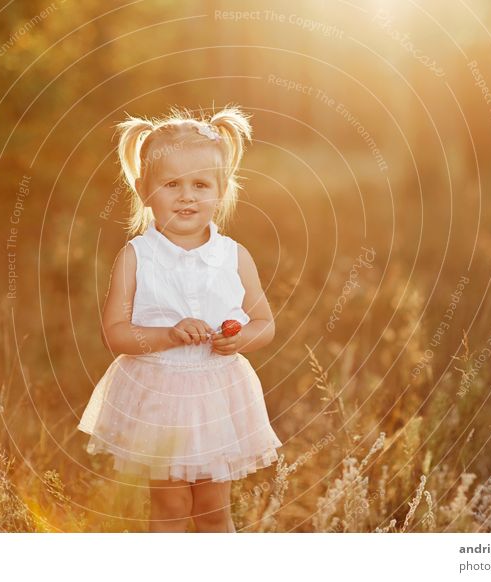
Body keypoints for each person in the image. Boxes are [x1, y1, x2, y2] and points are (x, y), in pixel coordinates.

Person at [78, 105, 282, 533]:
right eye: (171, 184)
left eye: (200, 184)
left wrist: (241, 339)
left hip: (217, 392)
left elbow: (264, 322)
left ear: (221, 189)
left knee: (213, 508)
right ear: (143, 189)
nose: (187, 195)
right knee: (169, 506)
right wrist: (166, 335)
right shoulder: (136, 257)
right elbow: (116, 333)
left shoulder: (233, 256)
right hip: (160, 394)